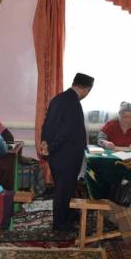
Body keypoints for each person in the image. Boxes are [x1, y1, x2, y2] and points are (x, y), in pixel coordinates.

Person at [40, 72, 94, 231]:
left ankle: (67, 215)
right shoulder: (73, 102)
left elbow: (47, 124)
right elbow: (66, 132)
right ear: (86, 89)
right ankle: (61, 224)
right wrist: (51, 147)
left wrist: (45, 142)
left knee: (63, 188)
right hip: (66, 155)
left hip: (58, 154)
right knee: (63, 190)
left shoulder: (59, 98)